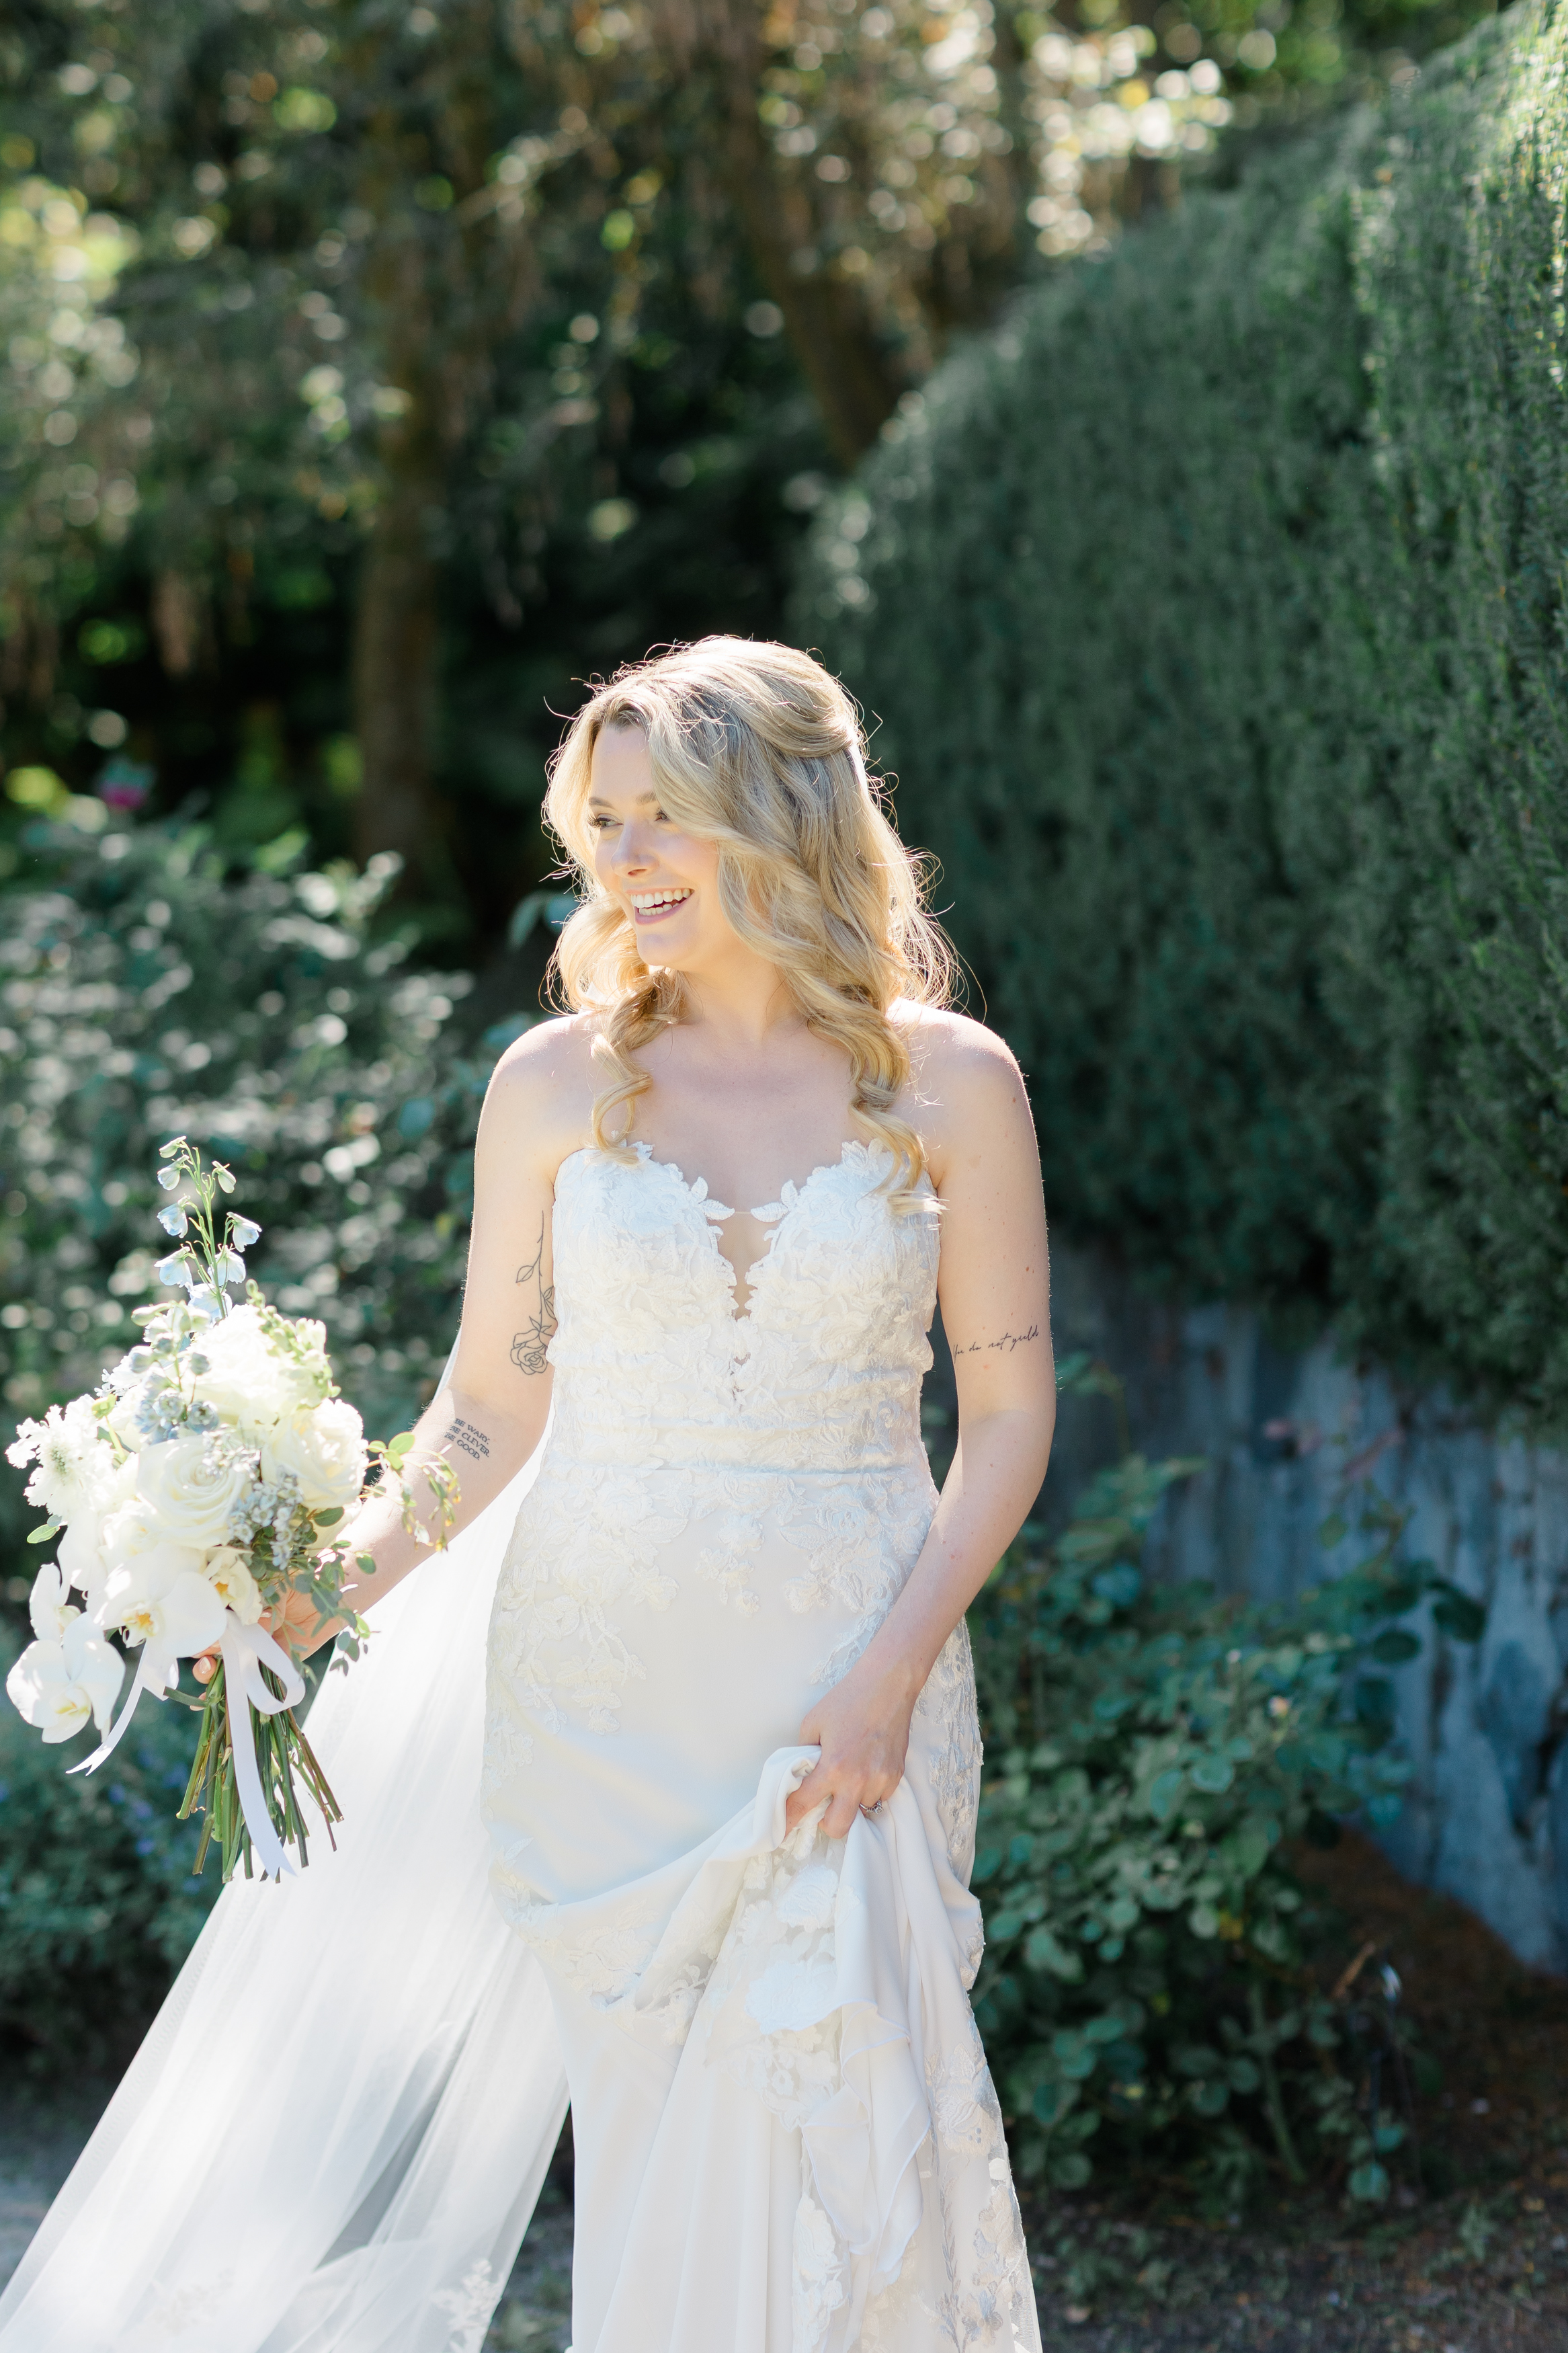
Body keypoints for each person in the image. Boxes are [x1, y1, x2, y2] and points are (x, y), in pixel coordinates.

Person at [0, 638, 1053, 2353]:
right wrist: (308, 1600)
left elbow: (1008, 1416)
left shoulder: (950, 1082)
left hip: (857, 1673)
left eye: (662, 818)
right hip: (602, 1700)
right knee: (653, 2151)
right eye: (603, 824)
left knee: (850, 2145)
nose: (624, 861)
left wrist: (889, 1679)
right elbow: (487, 1410)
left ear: (782, 814)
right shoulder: (557, 1084)